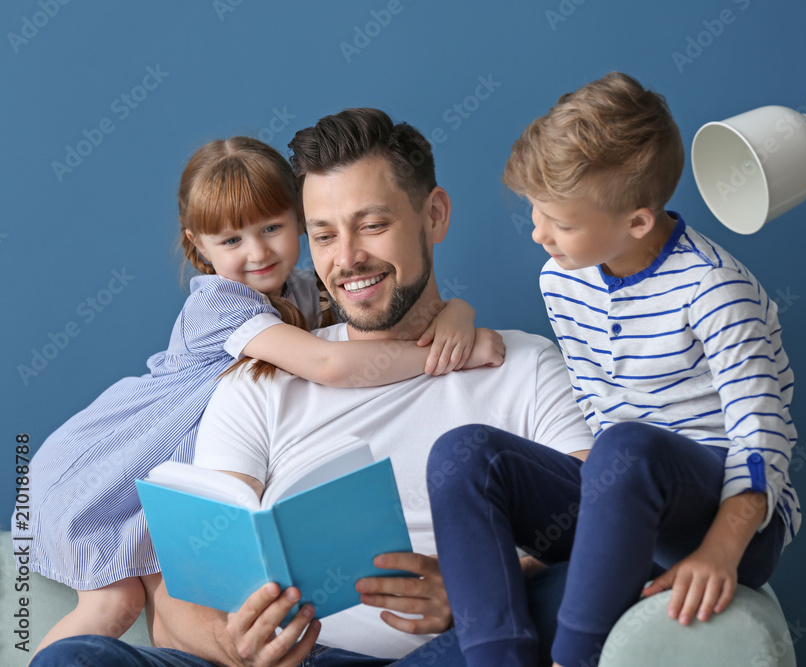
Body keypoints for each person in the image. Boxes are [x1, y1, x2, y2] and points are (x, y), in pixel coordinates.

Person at [32, 109, 595, 667]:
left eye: (372, 225)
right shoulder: (260, 371)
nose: (346, 258)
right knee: (77, 660)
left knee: (566, 583)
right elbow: (183, 598)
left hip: (448, 647)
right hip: (283, 660)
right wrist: (241, 644)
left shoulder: (523, 364)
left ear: (435, 215)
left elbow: (600, 516)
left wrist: (475, 586)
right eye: (324, 235)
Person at [427, 71, 804, 667]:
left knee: (626, 449)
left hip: (726, 516)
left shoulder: (714, 289)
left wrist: (719, 552)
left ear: (637, 222)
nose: (538, 234)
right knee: (463, 453)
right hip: (618, 496)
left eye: (562, 223)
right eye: (535, 212)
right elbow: (598, 408)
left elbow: (763, 439)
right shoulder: (561, 277)